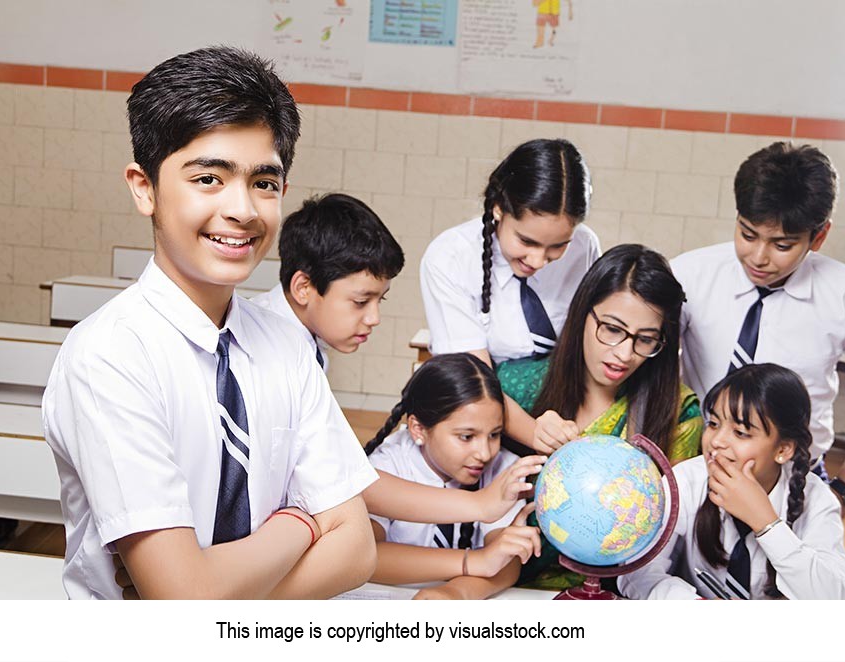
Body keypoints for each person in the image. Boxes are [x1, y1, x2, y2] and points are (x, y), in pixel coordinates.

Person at [41, 46, 377, 599]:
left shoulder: (286, 347)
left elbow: (358, 549)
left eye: (264, 183)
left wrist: (210, 592)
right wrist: (301, 523)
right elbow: (183, 598)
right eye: (208, 179)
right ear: (144, 187)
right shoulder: (110, 356)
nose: (243, 209)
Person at [516, 244, 703, 589]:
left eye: (646, 339)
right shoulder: (526, 384)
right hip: (510, 588)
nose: (624, 354)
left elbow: (663, 542)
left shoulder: (680, 415)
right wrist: (530, 430)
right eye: (613, 329)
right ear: (583, 312)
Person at [671, 142, 845, 473]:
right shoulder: (689, 275)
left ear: (819, 237)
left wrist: (842, 491)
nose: (758, 258)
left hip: (796, 477)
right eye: (747, 234)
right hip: (698, 465)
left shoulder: (842, 295)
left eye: (782, 245)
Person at [420, 138, 600, 452]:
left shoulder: (584, 246)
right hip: (483, 418)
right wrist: (540, 436)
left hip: (565, 415)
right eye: (526, 241)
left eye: (557, 246)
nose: (538, 260)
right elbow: (474, 378)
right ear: (498, 208)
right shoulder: (450, 257)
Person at [619, 364, 845, 599]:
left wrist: (766, 523)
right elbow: (636, 574)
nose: (717, 441)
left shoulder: (815, 498)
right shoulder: (687, 480)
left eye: (740, 432)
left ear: (783, 449)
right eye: (714, 424)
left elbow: (836, 598)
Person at [364, 353, 542, 600]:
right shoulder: (388, 463)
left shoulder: (504, 467)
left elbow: (507, 561)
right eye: (466, 437)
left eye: (494, 434)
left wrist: (455, 593)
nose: (484, 453)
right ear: (418, 429)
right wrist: (474, 562)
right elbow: (365, 555)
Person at [252, 193, 404, 371]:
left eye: (380, 300)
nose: (374, 319)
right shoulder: (263, 357)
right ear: (303, 288)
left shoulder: (310, 341)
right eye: (361, 302)